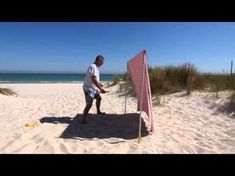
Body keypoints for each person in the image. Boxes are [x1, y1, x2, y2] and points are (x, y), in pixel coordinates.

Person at [82, 55, 108, 124]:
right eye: (102, 62)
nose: (102, 63)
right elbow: (93, 79)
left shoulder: (96, 67)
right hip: (88, 88)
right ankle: (84, 119)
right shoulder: (92, 67)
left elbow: (95, 79)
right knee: (89, 104)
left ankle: (98, 111)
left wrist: (100, 84)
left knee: (99, 98)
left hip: (93, 88)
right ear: (98, 60)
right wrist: (100, 88)